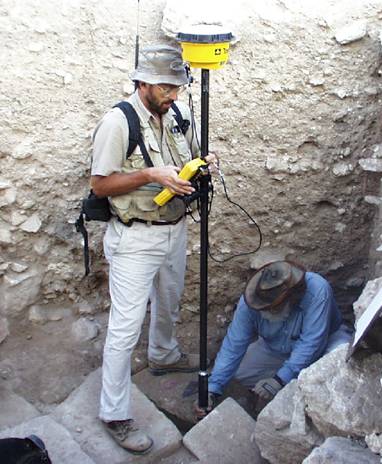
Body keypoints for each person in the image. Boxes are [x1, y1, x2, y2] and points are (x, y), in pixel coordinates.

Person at [91, 44, 214, 453]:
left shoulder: (177, 112)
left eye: (177, 87)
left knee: (170, 299)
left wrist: (203, 163)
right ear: (142, 82)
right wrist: (149, 174)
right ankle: (115, 414)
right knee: (124, 329)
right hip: (136, 236)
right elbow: (100, 185)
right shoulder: (118, 122)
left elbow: (190, 156)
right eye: (165, 87)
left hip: (174, 228)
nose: (173, 95)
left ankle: (162, 354)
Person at [199, 260, 352, 414]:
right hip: (276, 350)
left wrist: (280, 379)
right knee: (239, 372)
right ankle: (294, 385)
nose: (263, 313)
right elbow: (233, 345)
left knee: (342, 362)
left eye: (271, 309)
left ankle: (303, 393)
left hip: (326, 343)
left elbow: (312, 342)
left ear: (291, 299)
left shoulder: (318, 290)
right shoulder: (250, 301)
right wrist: (212, 389)